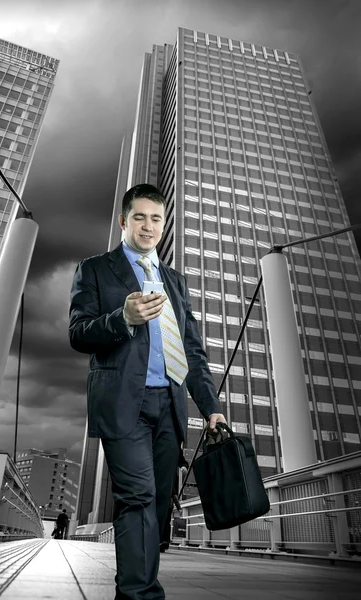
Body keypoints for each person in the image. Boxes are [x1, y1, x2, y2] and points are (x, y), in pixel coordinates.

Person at [69, 183, 226, 600]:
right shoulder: (96, 269)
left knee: (155, 506)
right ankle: (141, 595)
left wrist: (211, 407)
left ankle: (136, 578)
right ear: (124, 221)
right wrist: (122, 318)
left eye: (156, 218)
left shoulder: (174, 281)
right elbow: (78, 333)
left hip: (169, 407)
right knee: (137, 498)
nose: (148, 225)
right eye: (139, 216)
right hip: (124, 405)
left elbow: (191, 349)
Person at [159, 449, 189, 553]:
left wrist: (184, 466)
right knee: (158, 516)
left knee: (166, 517)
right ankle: (159, 541)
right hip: (154, 485)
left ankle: (164, 541)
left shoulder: (174, 447)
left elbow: (182, 461)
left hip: (169, 488)